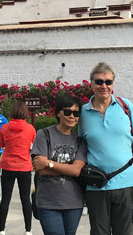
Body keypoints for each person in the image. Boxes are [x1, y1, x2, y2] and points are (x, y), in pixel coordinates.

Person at [79, 62, 133, 235]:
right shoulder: (83, 113)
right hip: (96, 185)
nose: (103, 86)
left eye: (108, 82)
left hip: (126, 183)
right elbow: (80, 146)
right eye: (99, 82)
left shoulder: (125, 106)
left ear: (113, 84)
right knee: (98, 232)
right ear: (91, 83)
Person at [31, 96, 87, 235]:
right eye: (67, 112)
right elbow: (40, 169)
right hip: (49, 201)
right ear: (58, 113)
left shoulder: (80, 141)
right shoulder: (44, 134)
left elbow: (76, 171)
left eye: (76, 113)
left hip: (74, 202)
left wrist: (49, 163)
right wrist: (68, 168)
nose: (72, 116)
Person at [0, 99, 37, 235]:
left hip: (8, 166)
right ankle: (28, 230)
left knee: (5, 200)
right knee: (25, 200)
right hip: (25, 167)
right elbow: (33, 144)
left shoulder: (5, 127)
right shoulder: (30, 128)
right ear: (25, 113)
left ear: (12, 112)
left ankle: (2, 230)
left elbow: (1, 144)